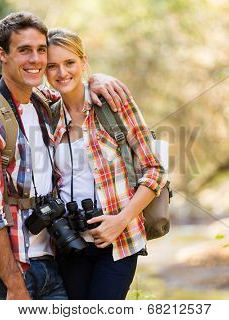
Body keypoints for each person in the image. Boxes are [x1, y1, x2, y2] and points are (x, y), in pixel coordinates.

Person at [0, 12, 132, 300]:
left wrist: (96, 79)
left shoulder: (41, 103)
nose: (35, 59)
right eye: (24, 50)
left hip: (48, 260)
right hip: (2, 269)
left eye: (41, 50)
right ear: (3, 54)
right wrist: (14, 285)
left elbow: (72, 87)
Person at [45, 28, 167, 299]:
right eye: (52, 66)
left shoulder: (113, 104)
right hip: (70, 242)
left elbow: (155, 169)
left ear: (84, 62)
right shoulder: (48, 114)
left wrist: (120, 221)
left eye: (69, 63)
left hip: (119, 241)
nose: (62, 73)